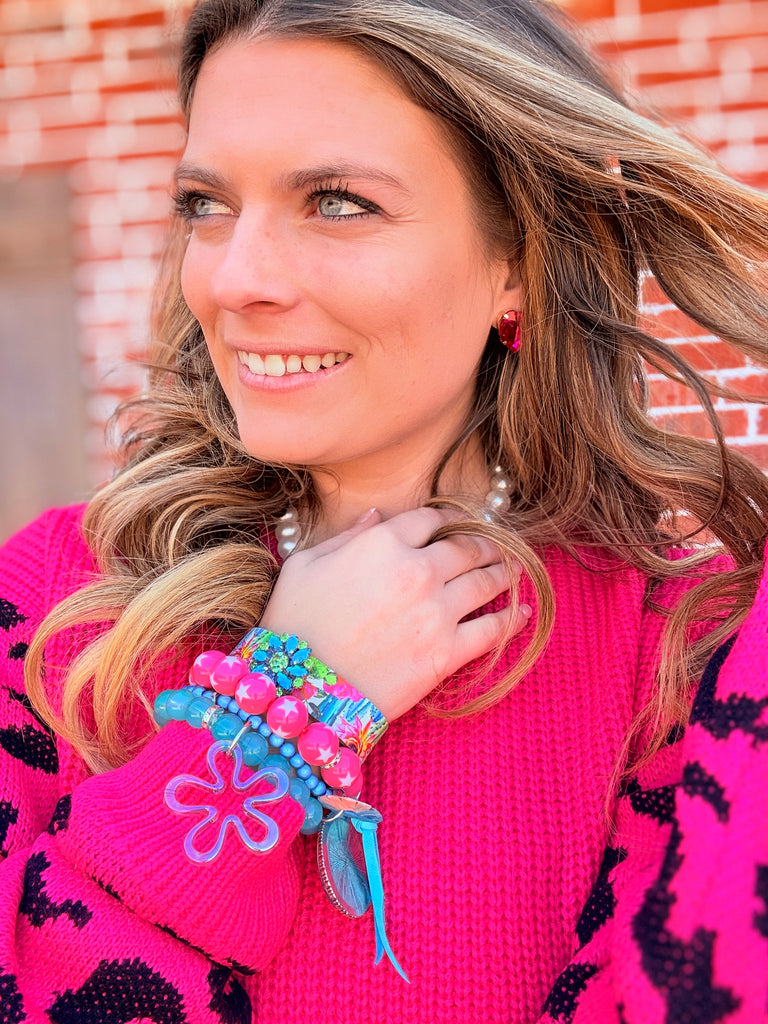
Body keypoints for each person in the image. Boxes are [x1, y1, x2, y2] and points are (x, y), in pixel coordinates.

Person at [1, 0, 766, 1020]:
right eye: (205, 203)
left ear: (517, 264)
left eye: (338, 202)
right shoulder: (54, 607)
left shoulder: (680, 640)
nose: (235, 278)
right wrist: (266, 725)